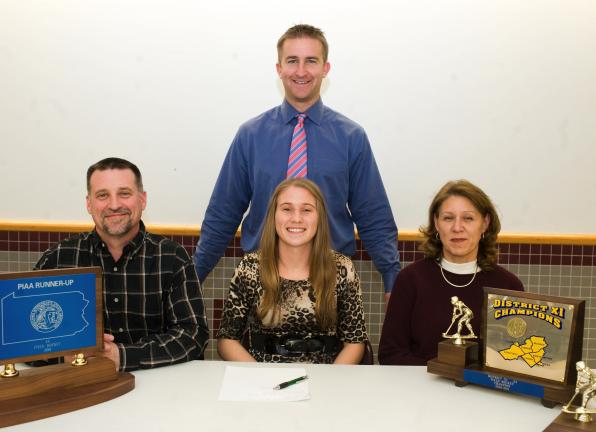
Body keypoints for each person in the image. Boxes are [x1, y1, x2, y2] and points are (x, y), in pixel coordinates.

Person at [194, 24, 400, 299]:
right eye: (292, 61)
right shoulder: (250, 136)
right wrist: (194, 277)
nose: (301, 71)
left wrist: (392, 277)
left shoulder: (352, 137)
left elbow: (373, 215)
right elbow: (223, 213)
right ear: (279, 68)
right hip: (261, 281)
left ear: (325, 68)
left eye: (311, 61)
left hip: (332, 281)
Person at [34, 157, 209, 371]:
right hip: (79, 384)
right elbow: (25, 337)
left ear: (142, 200)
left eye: (124, 193)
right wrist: (66, 356)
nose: (114, 205)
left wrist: (121, 356)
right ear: (89, 204)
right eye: (102, 195)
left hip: (160, 390)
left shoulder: (173, 257)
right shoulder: (58, 259)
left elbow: (193, 335)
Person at [217, 178, 367, 364]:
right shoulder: (250, 267)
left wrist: (331, 383)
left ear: (319, 217)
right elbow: (227, 340)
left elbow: (355, 342)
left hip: (327, 377)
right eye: (287, 209)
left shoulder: (342, 268)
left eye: (306, 210)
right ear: (273, 215)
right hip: (262, 378)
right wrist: (259, 378)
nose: (296, 218)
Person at [378, 180, 524, 365]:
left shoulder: (508, 286)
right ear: (436, 223)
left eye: (468, 218)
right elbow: (390, 354)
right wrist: (441, 374)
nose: (457, 227)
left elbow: (514, 358)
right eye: (448, 218)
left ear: (485, 223)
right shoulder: (410, 280)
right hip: (421, 389)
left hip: (481, 391)